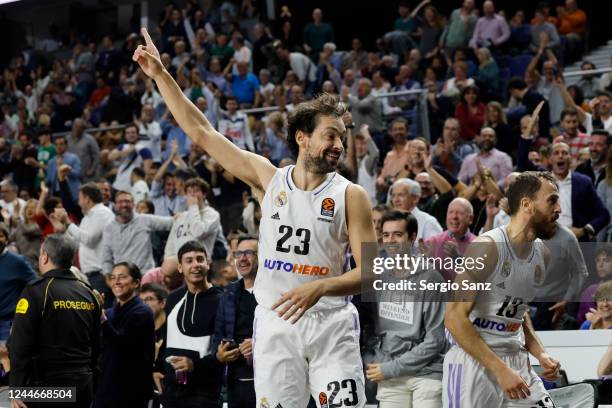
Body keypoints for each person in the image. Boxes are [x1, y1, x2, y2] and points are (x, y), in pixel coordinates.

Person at [134, 29, 376, 406]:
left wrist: (322, 287)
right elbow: (202, 132)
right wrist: (161, 75)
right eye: (330, 136)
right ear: (302, 138)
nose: (338, 145)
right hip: (276, 322)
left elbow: (372, 273)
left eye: (342, 137)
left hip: (331, 322)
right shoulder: (268, 178)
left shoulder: (350, 195)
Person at [443, 171, 561, 408]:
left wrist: (540, 353)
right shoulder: (486, 248)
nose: (559, 209)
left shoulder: (542, 254)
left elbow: (518, 309)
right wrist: (499, 369)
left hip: (516, 360)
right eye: (552, 200)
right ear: (526, 204)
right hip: (474, 362)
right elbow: (454, 318)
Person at [8, 234, 101, 408]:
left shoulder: (37, 291)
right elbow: (97, 345)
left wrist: (16, 389)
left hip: (48, 386)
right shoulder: (89, 293)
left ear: (44, 257)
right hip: (83, 384)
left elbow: (19, 344)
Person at [367, 210, 445, 407]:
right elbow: (375, 333)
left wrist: (392, 368)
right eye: (386, 235)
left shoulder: (430, 278)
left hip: (426, 373)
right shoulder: (379, 277)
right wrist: (382, 362)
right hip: (389, 373)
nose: (390, 240)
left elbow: (435, 340)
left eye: (397, 234)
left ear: (412, 238)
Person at [158, 241, 224, 408]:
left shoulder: (222, 300)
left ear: (208, 264)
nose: (196, 265)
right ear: (180, 267)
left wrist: (195, 365)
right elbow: (166, 339)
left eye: (200, 259)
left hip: (204, 392)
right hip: (171, 389)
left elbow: (224, 353)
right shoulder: (172, 298)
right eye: (189, 261)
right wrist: (156, 368)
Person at [94, 262, 155, 408]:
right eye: (113, 277)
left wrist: (101, 317)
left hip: (130, 390)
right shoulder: (110, 312)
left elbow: (121, 346)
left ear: (136, 283)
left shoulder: (142, 312)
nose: (116, 281)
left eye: (122, 277)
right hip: (107, 386)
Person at [212, 235, 259, 408]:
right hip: (236, 385)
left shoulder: (276, 292)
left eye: (248, 253)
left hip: (269, 381)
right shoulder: (228, 294)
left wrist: (259, 344)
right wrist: (219, 355)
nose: (242, 258)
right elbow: (218, 337)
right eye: (238, 254)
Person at [58, 183, 114, 295]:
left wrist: (68, 222)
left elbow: (89, 240)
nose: (78, 203)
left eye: (80, 199)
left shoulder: (103, 213)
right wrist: (62, 228)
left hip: (100, 275)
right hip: (88, 275)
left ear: (87, 199)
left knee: (101, 310)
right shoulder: (87, 217)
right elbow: (78, 243)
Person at [164, 177, 221, 260]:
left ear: (204, 194)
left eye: (196, 191)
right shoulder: (181, 216)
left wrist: (193, 206)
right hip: (178, 265)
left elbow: (198, 232)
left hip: (199, 262)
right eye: (189, 192)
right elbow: (170, 246)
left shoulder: (212, 215)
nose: (192, 194)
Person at [0, 224, 37, 344]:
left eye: (0, 235)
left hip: (7, 324)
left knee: (6, 361)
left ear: (6, 238)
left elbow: (36, 284)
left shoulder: (17, 261)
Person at [425, 198, 476, 281]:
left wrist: (458, 259)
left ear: (470, 219)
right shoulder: (432, 241)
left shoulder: (479, 244)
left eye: (460, 213)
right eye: (450, 212)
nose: (454, 216)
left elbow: (479, 277)